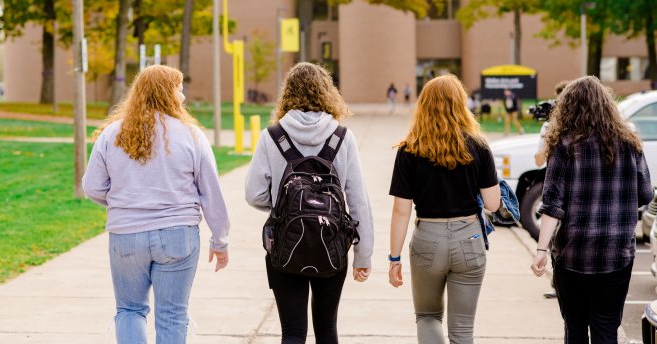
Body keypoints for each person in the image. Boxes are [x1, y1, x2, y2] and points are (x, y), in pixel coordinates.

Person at [82, 65, 230, 344]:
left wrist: (121, 204)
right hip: (178, 235)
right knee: (173, 314)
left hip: (125, 236)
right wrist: (220, 240)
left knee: (129, 310)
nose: (183, 97)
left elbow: (92, 186)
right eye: (179, 89)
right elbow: (210, 192)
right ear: (168, 94)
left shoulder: (111, 135)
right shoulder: (191, 135)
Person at [246, 62, 374, 343]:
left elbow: (253, 193)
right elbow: (358, 199)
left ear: (287, 94)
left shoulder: (272, 136)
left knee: (292, 332)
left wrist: (283, 205)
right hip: (332, 244)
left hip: (286, 244)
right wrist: (363, 255)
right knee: (327, 329)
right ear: (327, 93)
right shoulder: (343, 137)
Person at [530, 76, 652, 344]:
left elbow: (552, 205)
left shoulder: (564, 146)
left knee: (574, 326)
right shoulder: (631, 144)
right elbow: (644, 195)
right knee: (606, 326)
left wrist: (541, 250)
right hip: (616, 253)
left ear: (568, 107)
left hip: (573, 253)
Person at [388, 74, 501, 344]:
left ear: (423, 105)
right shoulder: (479, 147)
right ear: (461, 104)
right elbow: (493, 204)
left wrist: (394, 258)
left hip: (428, 238)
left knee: (427, 317)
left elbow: (400, 211)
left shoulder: (409, 149)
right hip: (469, 239)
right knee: (462, 330)